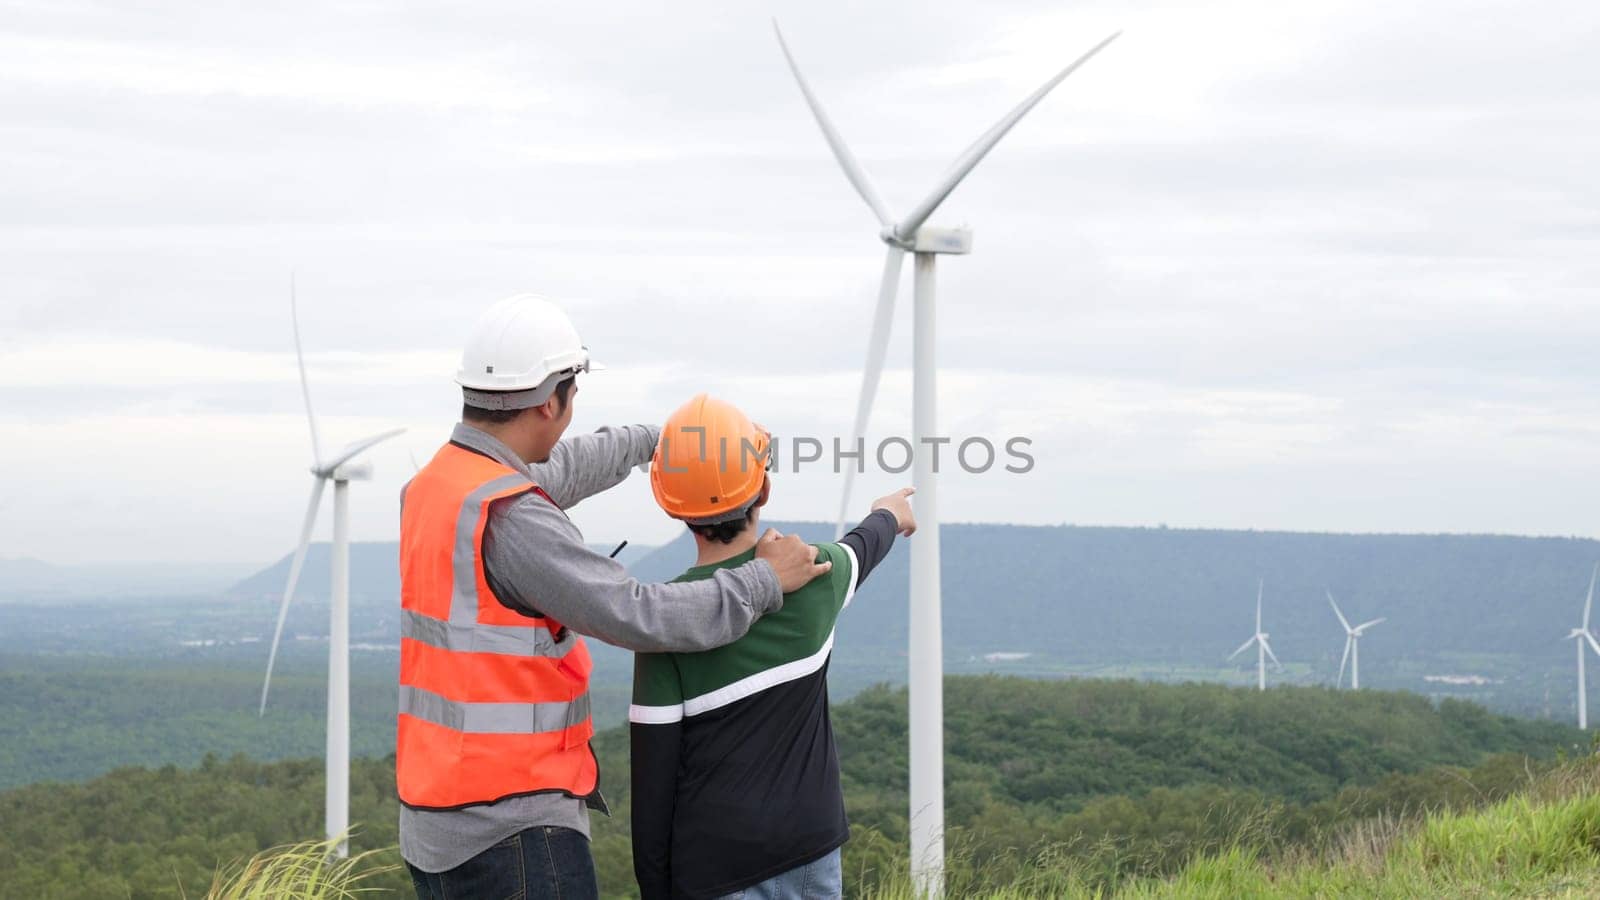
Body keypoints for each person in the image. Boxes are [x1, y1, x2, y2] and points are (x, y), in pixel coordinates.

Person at [398, 297, 832, 900]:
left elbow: (559, 470)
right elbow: (639, 614)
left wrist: (657, 442)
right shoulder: (514, 521)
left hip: (437, 816)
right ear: (553, 399)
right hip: (511, 830)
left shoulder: (439, 487)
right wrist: (763, 581)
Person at [630, 394, 915, 900]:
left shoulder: (666, 620)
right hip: (811, 849)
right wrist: (889, 513)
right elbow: (864, 545)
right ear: (763, 488)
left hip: (714, 865)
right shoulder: (815, 577)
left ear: (671, 505)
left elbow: (653, 785)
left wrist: (656, 886)